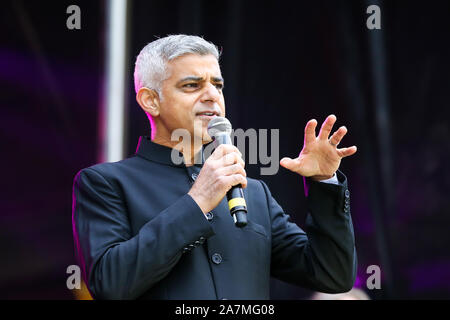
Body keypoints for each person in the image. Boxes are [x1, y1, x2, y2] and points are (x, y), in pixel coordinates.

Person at [72, 34, 358, 300]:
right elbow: (109, 283)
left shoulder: (254, 193)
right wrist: (197, 203)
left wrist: (324, 181)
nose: (212, 95)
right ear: (151, 100)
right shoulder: (105, 183)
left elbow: (332, 275)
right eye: (192, 85)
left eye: (217, 85)